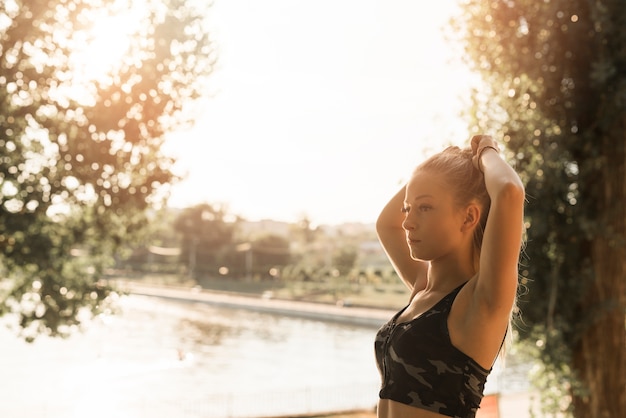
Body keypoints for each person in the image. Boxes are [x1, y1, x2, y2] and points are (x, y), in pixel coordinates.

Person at [374, 135, 525, 418]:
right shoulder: (423, 289)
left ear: (469, 217)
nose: (407, 221)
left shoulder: (479, 302)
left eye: (425, 208)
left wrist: (485, 152)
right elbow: (386, 224)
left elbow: (509, 191)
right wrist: (446, 162)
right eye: (408, 208)